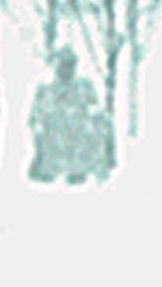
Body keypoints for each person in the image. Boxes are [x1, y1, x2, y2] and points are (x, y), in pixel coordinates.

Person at [28, 46, 112, 185]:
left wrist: (97, 122)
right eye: (63, 65)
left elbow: (96, 112)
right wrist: (38, 127)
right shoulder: (46, 90)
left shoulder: (84, 87)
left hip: (79, 151)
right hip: (54, 150)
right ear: (56, 67)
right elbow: (35, 116)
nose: (66, 69)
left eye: (70, 65)